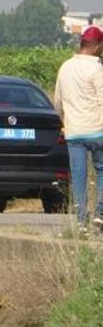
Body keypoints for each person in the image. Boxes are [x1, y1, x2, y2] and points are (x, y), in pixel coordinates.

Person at [53, 25, 103, 233]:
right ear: (97, 46)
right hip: (97, 130)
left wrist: (64, 123)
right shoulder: (97, 69)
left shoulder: (65, 67)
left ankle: (81, 221)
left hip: (74, 132)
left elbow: (57, 102)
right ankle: (100, 213)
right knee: (101, 170)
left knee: (79, 176)